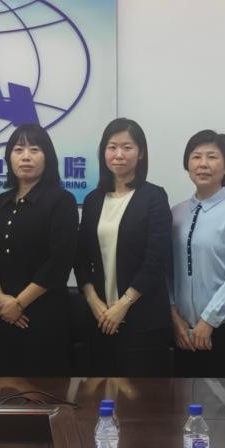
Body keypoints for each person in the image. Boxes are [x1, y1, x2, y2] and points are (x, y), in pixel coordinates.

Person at [75, 117, 172, 377]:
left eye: (127, 147)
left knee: (140, 397)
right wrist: (93, 301)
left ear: (141, 153)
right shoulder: (93, 200)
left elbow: (155, 259)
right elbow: (81, 257)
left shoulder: (154, 197)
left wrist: (123, 305)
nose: (118, 154)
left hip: (142, 320)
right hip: (99, 318)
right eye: (112, 147)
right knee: (99, 395)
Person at [0, 123, 78, 376]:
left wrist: (19, 303)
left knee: (44, 390)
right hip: (4, 315)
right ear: (9, 158)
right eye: (18, 150)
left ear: (48, 157)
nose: (26, 157)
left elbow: (58, 262)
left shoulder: (62, 201)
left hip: (45, 315)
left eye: (34, 150)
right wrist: (2, 302)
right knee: (3, 388)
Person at [169, 129, 225, 379]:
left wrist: (209, 321)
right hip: (184, 331)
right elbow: (167, 271)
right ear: (187, 164)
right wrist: (175, 319)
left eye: (212, 157)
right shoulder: (176, 212)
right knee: (185, 399)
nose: (203, 164)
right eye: (196, 157)